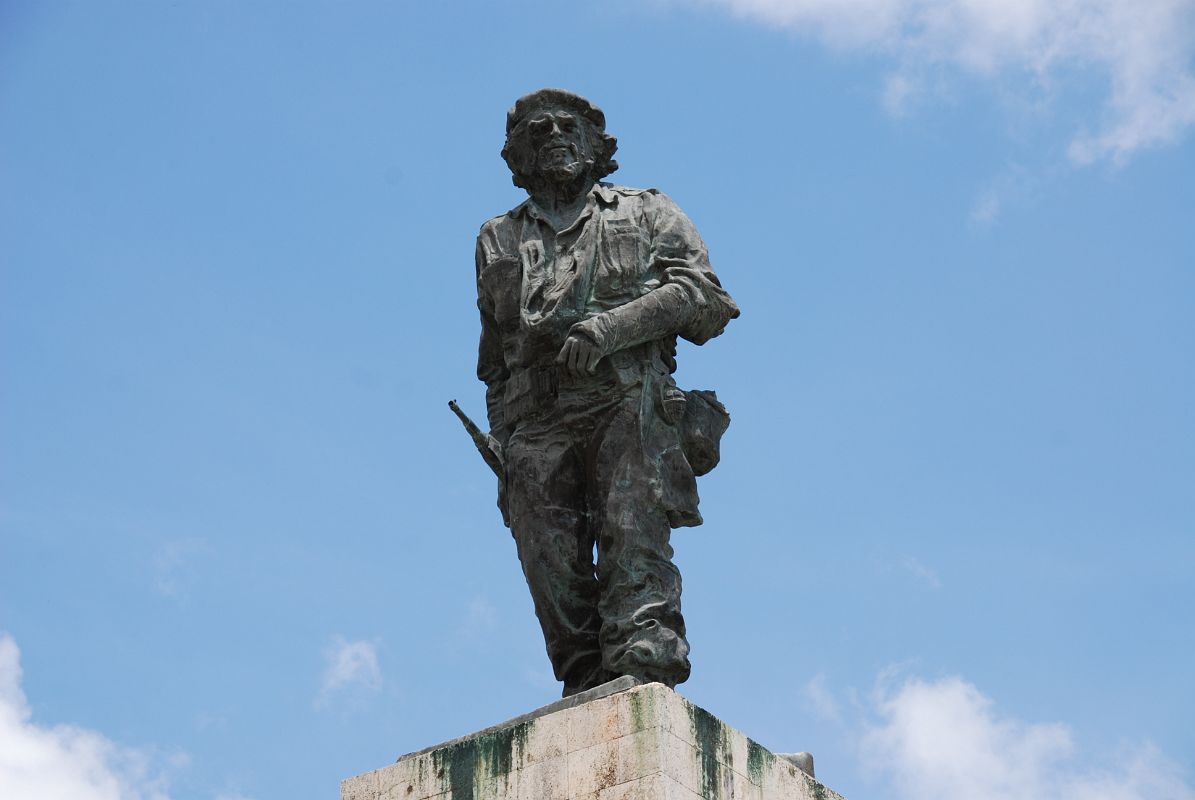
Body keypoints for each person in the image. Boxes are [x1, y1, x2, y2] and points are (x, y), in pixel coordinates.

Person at [474, 88, 739, 696]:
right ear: (516, 156)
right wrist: (505, 445)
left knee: (632, 537)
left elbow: (705, 300)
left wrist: (612, 329)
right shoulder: (496, 238)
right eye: (536, 130)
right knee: (549, 566)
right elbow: (493, 361)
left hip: (626, 401)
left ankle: (644, 670)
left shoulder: (645, 212)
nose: (554, 135)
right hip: (535, 421)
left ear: (598, 146)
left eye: (569, 126)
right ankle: (586, 679)